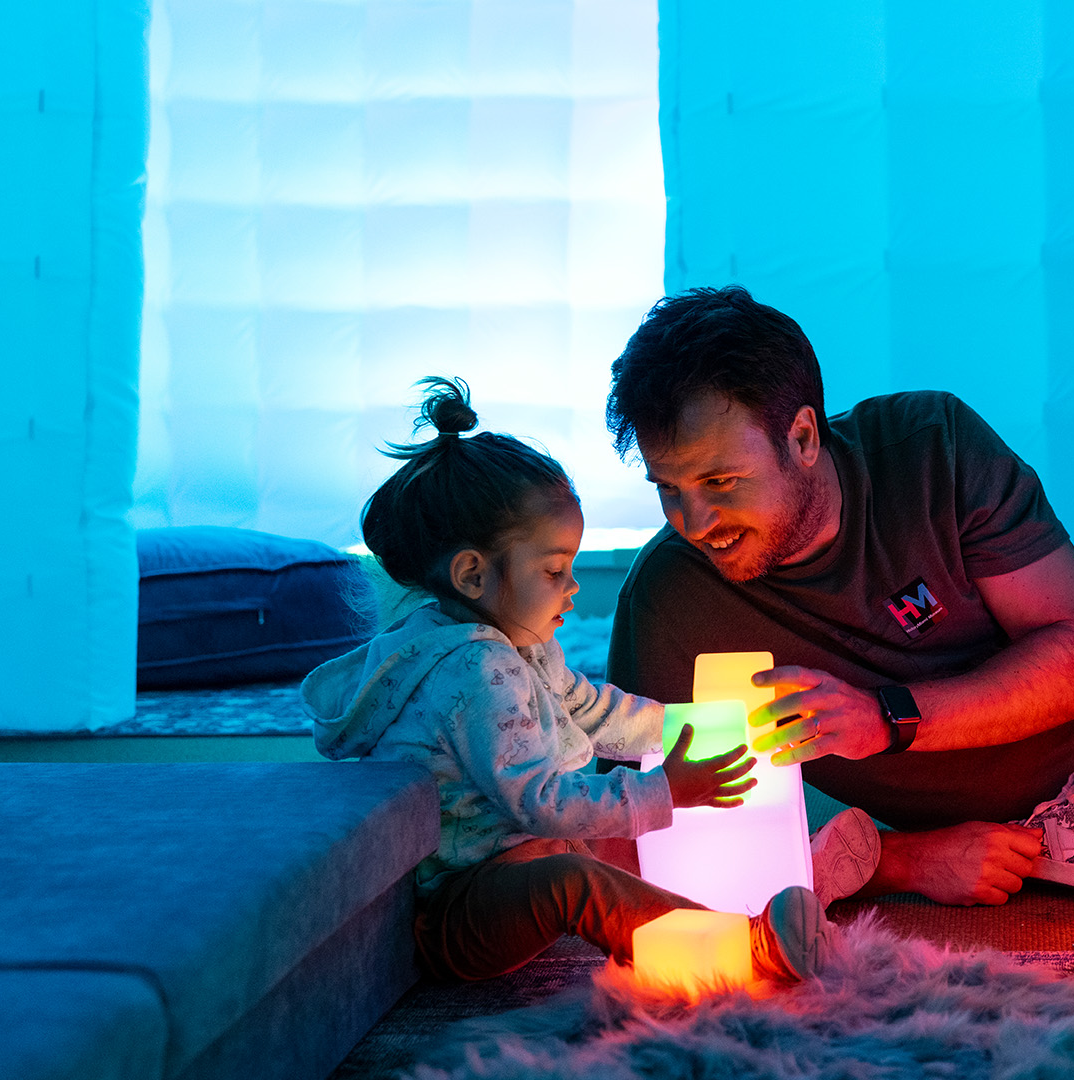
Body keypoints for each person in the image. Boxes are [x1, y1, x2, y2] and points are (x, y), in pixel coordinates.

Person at [303, 377, 834, 984]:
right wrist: (665, 790)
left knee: (633, 840)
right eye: (555, 570)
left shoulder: (519, 646)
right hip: (457, 908)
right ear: (473, 575)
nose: (573, 587)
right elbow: (539, 803)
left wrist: (701, 722)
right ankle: (753, 948)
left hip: (516, 858)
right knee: (579, 878)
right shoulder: (476, 670)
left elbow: (593, 710)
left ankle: (795, 883)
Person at [605, 286, 1074, 907]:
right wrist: (895, 859)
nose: (695, 521)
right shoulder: (670, 601)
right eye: (668, 489)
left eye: (721, 481)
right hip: (1033, 843)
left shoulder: (933, 450)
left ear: (802, 438)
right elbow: (634, 833)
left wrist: (883, 719)